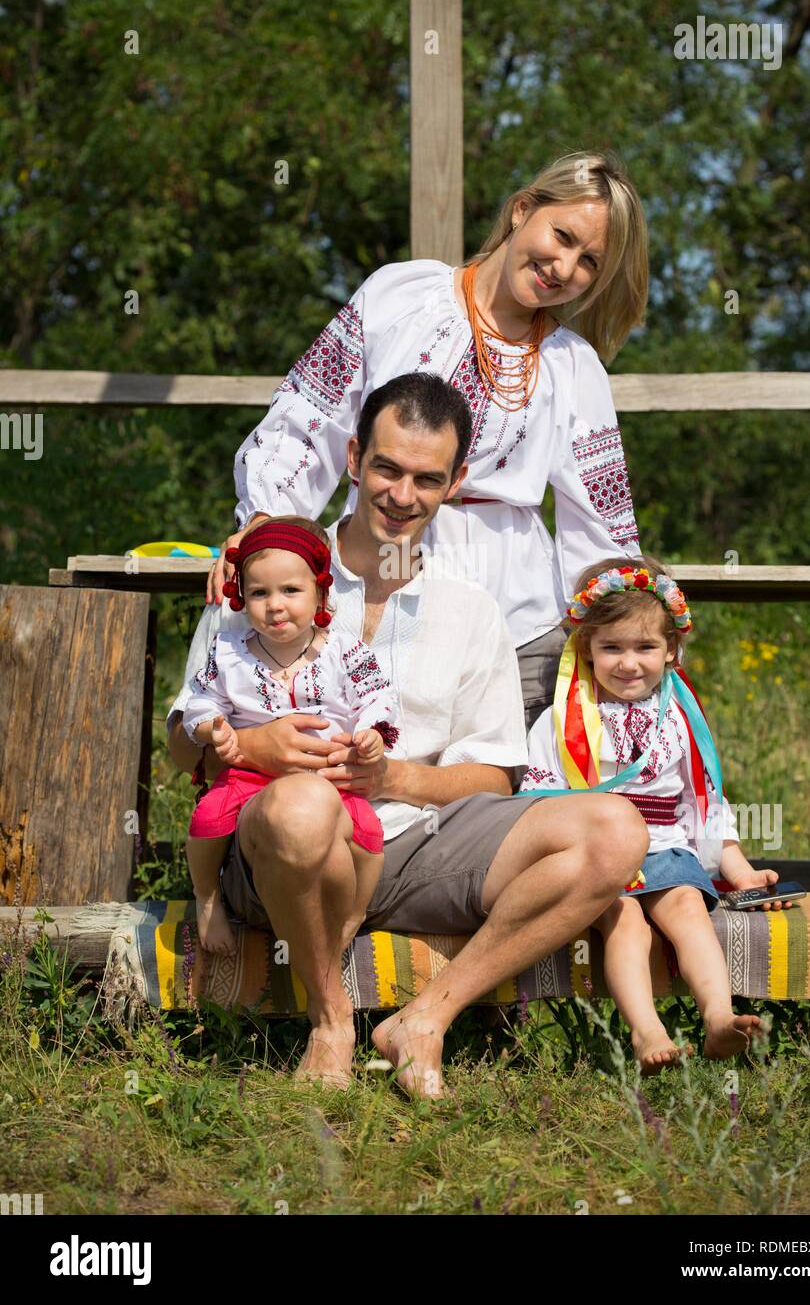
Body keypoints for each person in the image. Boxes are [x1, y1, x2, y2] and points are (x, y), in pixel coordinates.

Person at [167, 375, 649, 1096]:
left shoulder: (469, 608)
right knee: (302, 808)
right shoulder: (265, 576)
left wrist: (393, 779)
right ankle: (331, 1019)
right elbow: (178, 746)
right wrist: (251, 745)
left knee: (615, 830)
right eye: (387, 469)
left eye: (427, 478)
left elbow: (494, 775)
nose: (401, 494)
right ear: (355, 458)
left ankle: (425, 1018)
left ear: (455, 484)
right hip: (278, 850)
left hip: (416, 843)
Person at [205, 150, 649, 727]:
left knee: (496, 790)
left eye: (588, 261)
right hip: (367, 580)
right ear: (521, 211)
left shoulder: (573, 367)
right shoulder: (402, 293)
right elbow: (310, 415)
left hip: (511, 610)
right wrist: (267, 523)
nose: (563, 267)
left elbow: (600, 521)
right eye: (562, 236)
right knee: (356, 758)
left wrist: (629, 620)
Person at [520, 555, 790, 1075]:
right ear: (586, 647)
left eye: (645, 647)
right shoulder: (565, 718)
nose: (628, 663)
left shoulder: (680, 718)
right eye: (612, 647)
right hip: (598, 855)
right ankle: (648, 1032)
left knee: (688, 909)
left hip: (667, 845)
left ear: (671, 649)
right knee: (626, 924)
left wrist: (738, 871)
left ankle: (718, 1017)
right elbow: (542, 798)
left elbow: (705, 801)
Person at [182, 516, 399, 957]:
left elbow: (376, 695)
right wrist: (213, 730)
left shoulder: (344, 651)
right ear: (241, 597)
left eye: (290, 591)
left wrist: (371, 733)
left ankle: (355, 911)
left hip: (329, 776)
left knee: (370, 837)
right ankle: (207, 897)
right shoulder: (229, 653)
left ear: (321, 591)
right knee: (206, 818)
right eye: (259, 593)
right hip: (251, 775)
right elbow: (200, 702)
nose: (275, 605)